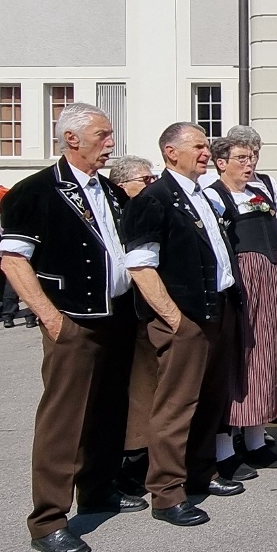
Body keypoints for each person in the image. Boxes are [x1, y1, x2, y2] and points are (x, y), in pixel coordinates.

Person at [0, 104, 141, 552]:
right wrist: (50, 317)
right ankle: (48, 520)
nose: (111, 144)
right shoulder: (34, 192)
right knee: (64, 420)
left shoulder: (111, 191)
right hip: (73, 318)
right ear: (72, 139)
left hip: (116, 315)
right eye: (103, 135)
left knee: (108, 409)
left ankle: (98, 490)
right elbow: (13, 261)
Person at [124, 122, 245, 530]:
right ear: (171, 152)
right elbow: (140, 265)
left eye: (207, 146)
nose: (206, 152)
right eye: (198, 146)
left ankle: (201, 471)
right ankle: (167, 493)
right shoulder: (154, 198)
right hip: (185, 318)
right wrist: (175, 320)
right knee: (176, 406)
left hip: (218, 308)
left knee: (211, 399)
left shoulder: (201, 195)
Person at [206, 137, 277, 471]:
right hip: (245, 279)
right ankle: (224, 450)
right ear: (221, 162)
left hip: (273, 276)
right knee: (241, 358)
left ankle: (255, 439)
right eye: (241, 158)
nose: (249, 164)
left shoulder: (260, 190)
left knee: (270, 355)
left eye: (251, 157)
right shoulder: (215, 196)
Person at [106, 155, 158, 496]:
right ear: (123, 185)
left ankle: (143, 456)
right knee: (127, 392)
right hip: (120, 311)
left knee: (147, 389)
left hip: (144, 312)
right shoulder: (119, 213)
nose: (152, 183)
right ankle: (126, 464)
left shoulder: (146, 209)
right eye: (146, 178)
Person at [0, 168, 33, 327]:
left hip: (0, 235)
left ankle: (7, 306)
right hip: (15, 233)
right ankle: (17, 308)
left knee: (1, 272)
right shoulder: (8, 191)